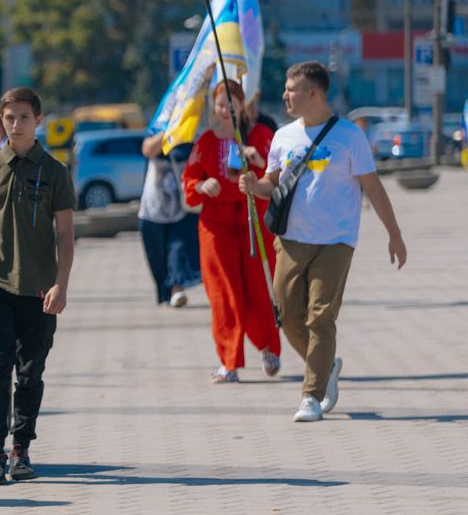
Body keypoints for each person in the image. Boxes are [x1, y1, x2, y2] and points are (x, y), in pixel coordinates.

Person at [239, 61, 407, 422]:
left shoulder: (349, 137)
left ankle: (311, 397)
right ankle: (326, 366)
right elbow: (272, 182)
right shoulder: (283, 137)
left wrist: (394, 234)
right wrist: (256, 186)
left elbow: (373, 188)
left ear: (312, 93)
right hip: (291, 239)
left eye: (291, 89)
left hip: (336, 241)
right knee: (287, 313)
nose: (284, 95)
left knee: (320, 317)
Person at [0, 87, 75, 486]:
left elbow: (65, 235)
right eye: (9, 118)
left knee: (30, 370)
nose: (16, 124)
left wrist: (61, 284)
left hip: (40, 287)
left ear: (37, 120)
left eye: (24, 117)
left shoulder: (55, 172)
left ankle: (21, 447)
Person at [183, 80, 281, 384]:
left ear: (243, 104)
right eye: (220, 103)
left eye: (231, 103)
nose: (225, 109)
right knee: (225, 293)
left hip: (253, 221)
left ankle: (268, 345)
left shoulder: (262, 136)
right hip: (216, 225)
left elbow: (278, 174)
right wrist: (202, 186)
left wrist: (258, 161)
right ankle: (229, 361)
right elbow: (190, 181)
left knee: (258, 291)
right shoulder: (206, 142)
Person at [138, 132, 200, 308]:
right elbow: (148, 149)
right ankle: (165, 291)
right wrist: (171, 130)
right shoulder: (158, 126)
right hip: (154, 206)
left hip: (182, 205)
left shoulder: (192, 130)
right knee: (155, 252)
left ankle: (176, 288)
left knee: (177, 248)